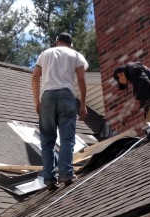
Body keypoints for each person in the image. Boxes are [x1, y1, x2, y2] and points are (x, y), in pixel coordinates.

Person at [31, 32, 89, 190]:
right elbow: (82, 79)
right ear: (70, 44)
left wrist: (37, 101)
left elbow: (35, 76)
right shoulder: (75, 55)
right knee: (67, 139)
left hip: (47, 97)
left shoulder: (46, 53)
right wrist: (83, 105)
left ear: (57, 42)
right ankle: (67, 175)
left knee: (47, 141)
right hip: (66, 96)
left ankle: (49, 179)